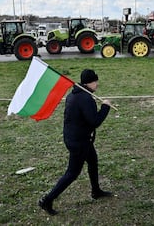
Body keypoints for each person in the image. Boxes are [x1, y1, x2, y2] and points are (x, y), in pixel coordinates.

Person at [39, 69, 112, 215]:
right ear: (89, 82)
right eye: (95, 81)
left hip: (78, 138)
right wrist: (105, 107)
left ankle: (96, 191)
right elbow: (94, 121)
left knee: (92, 161)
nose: (97, 84)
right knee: (72, 173)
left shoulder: (74, 94)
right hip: (79, 142)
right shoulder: (85, 98)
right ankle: (47, 200)